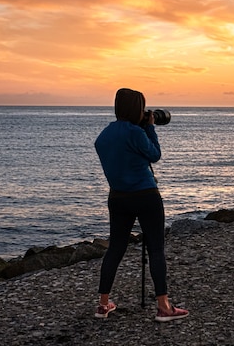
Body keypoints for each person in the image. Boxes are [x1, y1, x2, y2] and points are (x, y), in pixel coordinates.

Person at [93, 88, 188, 322]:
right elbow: (154, 155)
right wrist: (150, 127)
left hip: (117, 198)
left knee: (115, 248)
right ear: (137, 108)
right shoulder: (136, 132)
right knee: (155, 249)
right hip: (145, 196)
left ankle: (103, 305)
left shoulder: (103, 137)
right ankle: (164, 307)